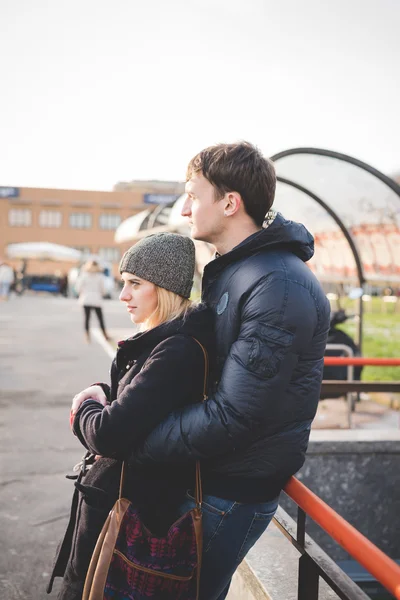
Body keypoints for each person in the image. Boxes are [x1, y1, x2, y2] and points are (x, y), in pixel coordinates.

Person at [70, 141, 331, 600]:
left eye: (194, 194)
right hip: (208, 474)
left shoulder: (277, 285)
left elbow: (235, 415)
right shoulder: (239, 269)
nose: (185, 207)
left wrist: (124, 435)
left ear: (230, 203)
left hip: (232, 488)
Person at [48, 233, 215, 599]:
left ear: (166, 288)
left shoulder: (176, 349)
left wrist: (83, 409)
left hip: (129, 514)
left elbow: (109, 434)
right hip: (119, 501)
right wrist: (105, 394)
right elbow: (144, 402)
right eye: (124, 283)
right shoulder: (163, 339)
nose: (123, 295)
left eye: (135, 284)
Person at [75, 260, 110, 342]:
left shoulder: (84, 275)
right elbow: (103, 290)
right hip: (96, 299)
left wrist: (83, 293)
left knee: (87, 318)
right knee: (100, 318)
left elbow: (78, 288)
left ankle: (87, 335)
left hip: (86, 299)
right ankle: (105, 335)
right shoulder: (100, 276)